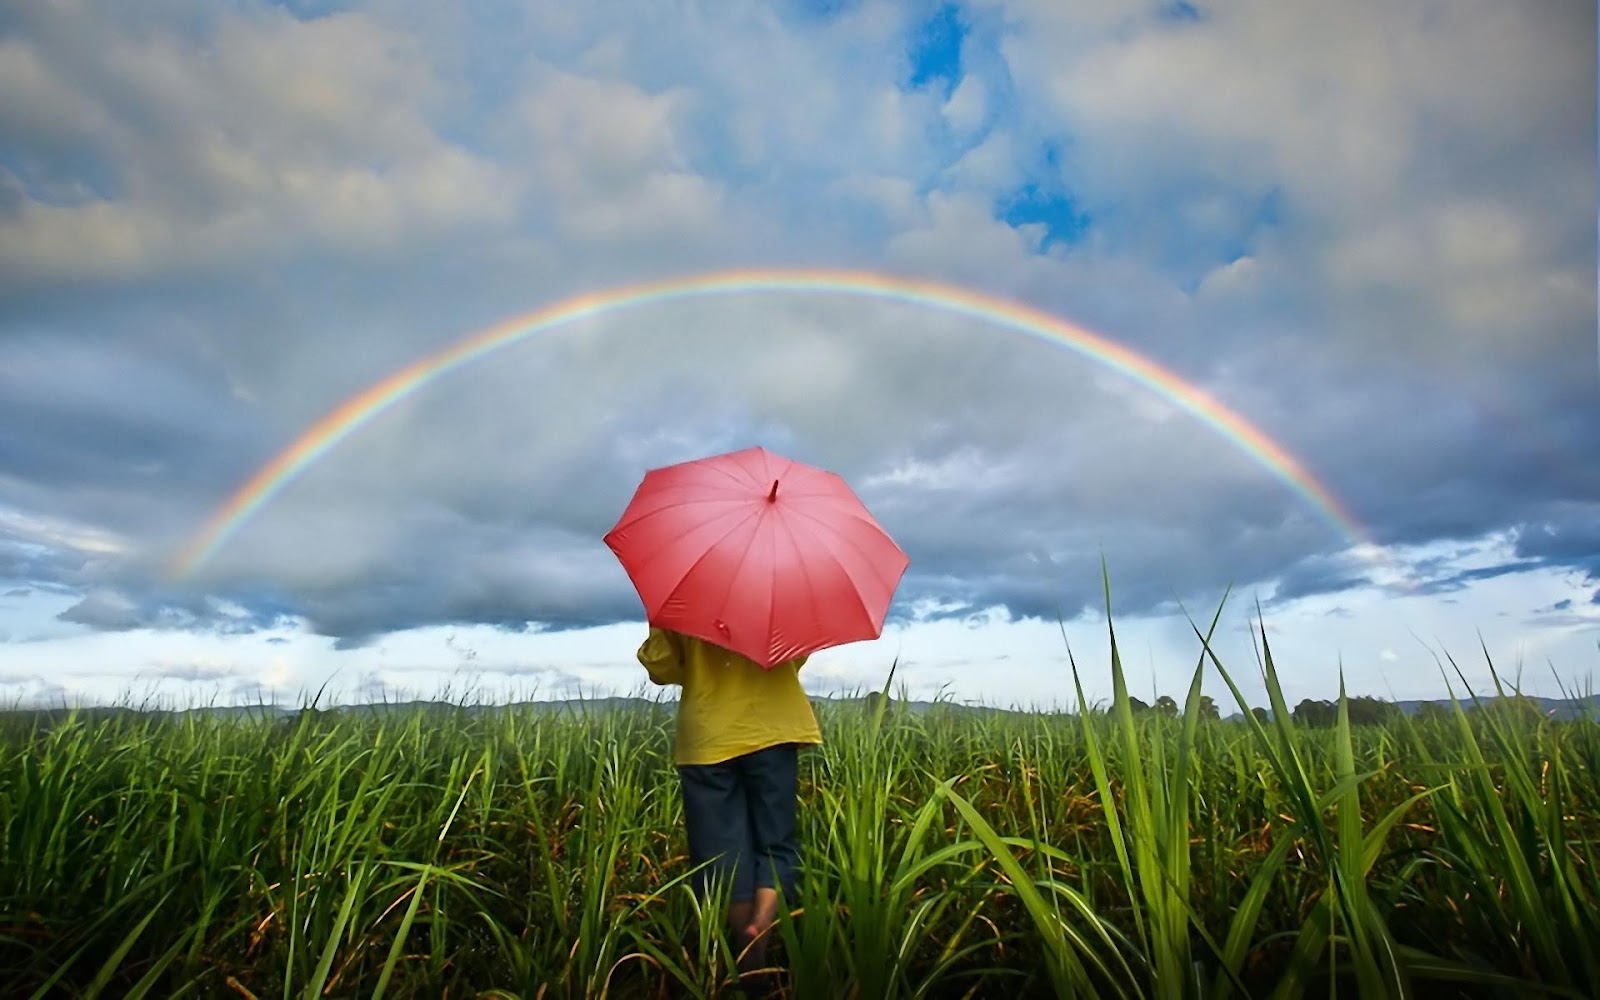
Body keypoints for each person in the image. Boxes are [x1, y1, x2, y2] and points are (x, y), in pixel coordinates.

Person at [638, 625, 822, 992]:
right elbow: (795, 654)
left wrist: (658, 621)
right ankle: (761, 927)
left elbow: (663, 669)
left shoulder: (680, 593)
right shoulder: (779, 580)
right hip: (773, 727)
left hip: (709, 734)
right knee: (778, 843)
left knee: (721, 854)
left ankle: (746, 953)